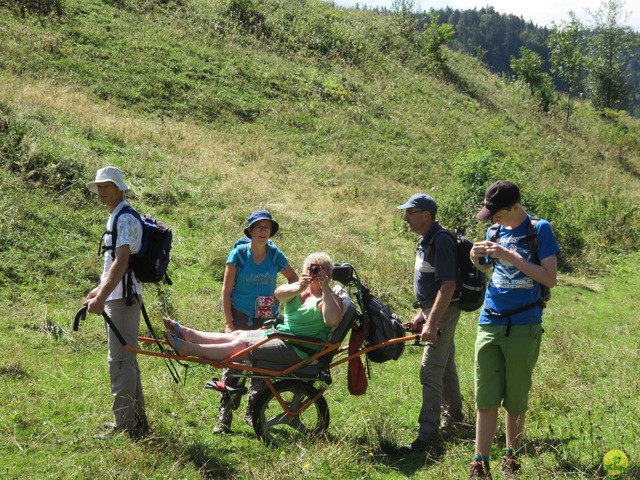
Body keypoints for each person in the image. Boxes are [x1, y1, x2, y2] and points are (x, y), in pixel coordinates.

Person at [468, 181, 560, 479]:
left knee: (516, 397)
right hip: (490, 320)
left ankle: (512, 457)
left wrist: (508, 254)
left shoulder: (539, 229)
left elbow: (549, 278)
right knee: (486, 396)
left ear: (515, 208)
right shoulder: (494, 231)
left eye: (497, 214)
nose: (492, 219)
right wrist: (477, 259)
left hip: (523, 323)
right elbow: (489, 269)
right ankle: (480, 463)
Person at [163, 252, 343, 366]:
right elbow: (279, 294)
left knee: (240, 345)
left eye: (324, 270)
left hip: (297, 348)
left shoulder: (330, 297)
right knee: (238, 335)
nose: (319, 274)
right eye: (314, 270)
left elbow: (332, 320)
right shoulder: (300, 290)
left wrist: (325, 288)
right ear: (306, 272)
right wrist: (299, 287)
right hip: (280, 336)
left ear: (330, 274)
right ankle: (191, 335)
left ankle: (190, 349)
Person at [214, 210, 298, 434]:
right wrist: (229, 323)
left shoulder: (274, 254)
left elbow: (294, 278)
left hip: (266, 319)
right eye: (259, 227)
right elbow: (226, 290)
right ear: (250, 231)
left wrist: (284, 300)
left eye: (267, 228)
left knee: (262, 365)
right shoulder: (239, 255)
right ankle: (225, 416)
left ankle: (253, 412)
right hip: (241, 316)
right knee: (235, 365)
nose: (263, 232)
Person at [397, 193, 465, 454]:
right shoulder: (424, 240)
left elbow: (448, 285)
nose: (405, 218)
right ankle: (456, 418)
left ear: (426, 215)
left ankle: (426, 435)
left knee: (429, 370)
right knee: (445, 366)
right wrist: (423, 314)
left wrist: (432, 321)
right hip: (434, 311)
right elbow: (433, 284)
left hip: (444, 312)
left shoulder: (441, 240)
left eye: (410, 213)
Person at [83, 166, 148, 440]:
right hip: (118, 294)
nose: (101, 191)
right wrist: (99, 289)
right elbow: (114, 262)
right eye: (99, 186)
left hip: (123, 298)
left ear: (119, 188)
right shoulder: (117, 216)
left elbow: (122, 262)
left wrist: (103, 297)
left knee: (120, 361)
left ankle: (125, 425)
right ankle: (136, 419)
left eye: (106, 186)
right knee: (126, 359)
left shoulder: (123, 218)